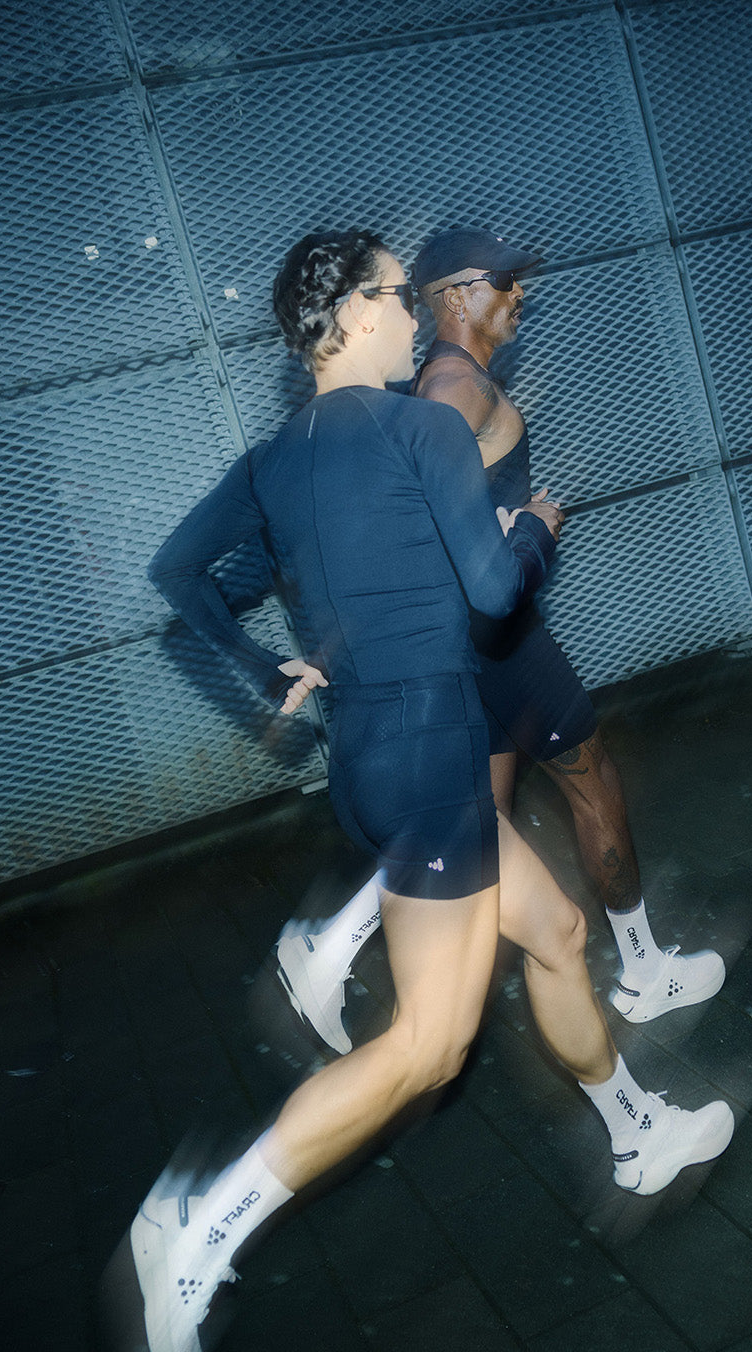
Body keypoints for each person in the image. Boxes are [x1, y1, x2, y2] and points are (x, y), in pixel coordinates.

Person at [134, 229, 734, 1352]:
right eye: (398, 295)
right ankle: (203, 1222)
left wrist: (268, 677)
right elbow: (497, 598)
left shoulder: (274, 462)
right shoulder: (421, 427)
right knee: (425, 1049)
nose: (414, 314)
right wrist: (534, 531)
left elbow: (180, 577)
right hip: (439, 756)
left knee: (557, 933)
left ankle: (636, 1134)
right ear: (353, 314)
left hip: (370, 760)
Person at [277, 226, 726, 1055]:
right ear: (456, 295)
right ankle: (641, 968)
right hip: (501, 645)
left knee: (476, 822)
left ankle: (337, 945)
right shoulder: (453, 389)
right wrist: (532, 530)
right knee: (595, 787)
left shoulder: (440, 385)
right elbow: (414, 521)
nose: (520, 295)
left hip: (467, 650)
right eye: (505, 281)